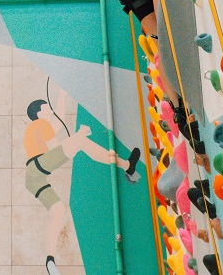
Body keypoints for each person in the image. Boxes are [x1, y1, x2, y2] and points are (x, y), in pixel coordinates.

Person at [24, 90, 139, 275]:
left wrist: (62, 97)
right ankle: (127, 165)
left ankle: (50, 261)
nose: (51, 110)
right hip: (38, 165)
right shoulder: (40, 124)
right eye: (47, 108)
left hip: (33, 177)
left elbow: (58, 122)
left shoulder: (39, 128)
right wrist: (77, 136)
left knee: (58, 211)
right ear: (38, 113)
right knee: (81, 142)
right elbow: (55, 146)